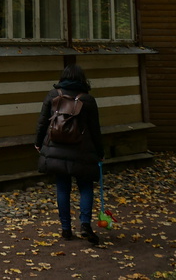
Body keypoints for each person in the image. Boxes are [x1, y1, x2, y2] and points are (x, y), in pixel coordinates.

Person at [35, 64, 104, 244]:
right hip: (83, 150)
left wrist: (38, 143)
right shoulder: (88, 99)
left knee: (63, 187)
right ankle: (85, 225)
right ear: (82, 79)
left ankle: (66, 229)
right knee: (86, 187)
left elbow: (43, 122)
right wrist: (100, 152)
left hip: (57, 148)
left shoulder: (53, 96)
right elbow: (95, 130)